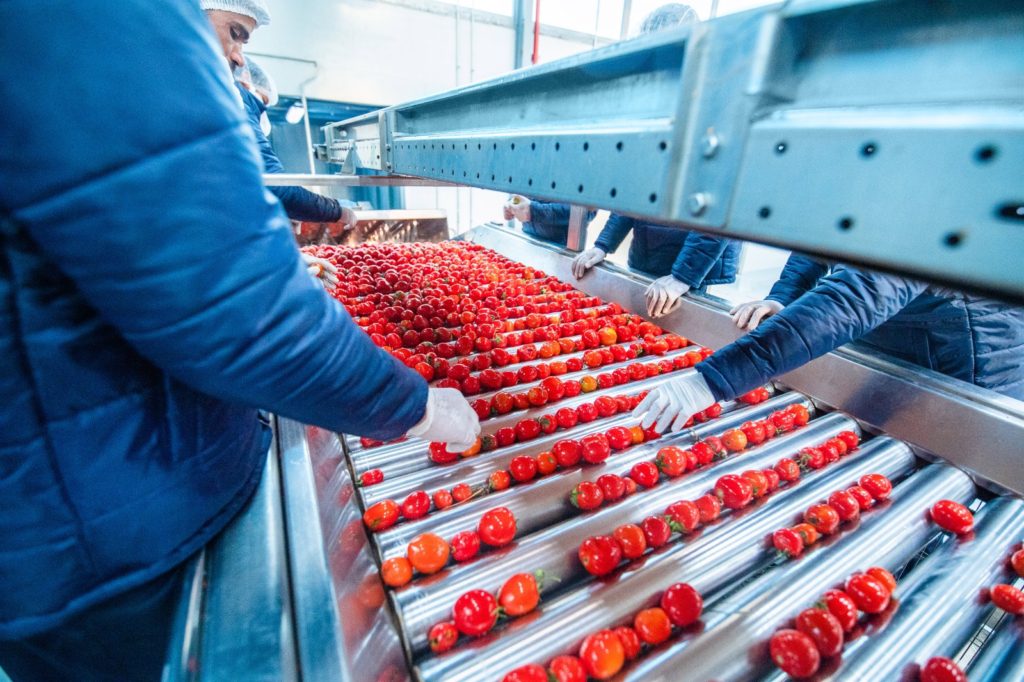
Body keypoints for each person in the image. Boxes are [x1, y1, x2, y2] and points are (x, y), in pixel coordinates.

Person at [0, 2, 479, 681]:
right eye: (234, 34)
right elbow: (233, 306)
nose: (237, 59)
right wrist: (416, 406)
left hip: (64, 512)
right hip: (99, 542)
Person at [634, 255, 1024, 433]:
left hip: (966, 356)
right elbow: (825, 240)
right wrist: (782, 296)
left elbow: (858, 294)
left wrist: (711, 380)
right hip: (902, 336)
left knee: (944, 468)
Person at [205, 4, 357, 229]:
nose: (239, 59)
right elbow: (273, 183)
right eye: (234, 34)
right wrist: (336, 210)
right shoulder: (231, 95)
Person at [572, 212, 741, 319]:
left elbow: (716, 216)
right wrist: (603, 245)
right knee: (640, 319)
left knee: (679, 322)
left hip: (694, 265)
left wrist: (683, 275)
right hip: (648, 249)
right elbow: (633, 197)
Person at [502, 195, 595, 246]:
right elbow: (521, 191)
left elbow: (587, 210)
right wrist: (512, 204)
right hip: (528, 239)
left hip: (561, 248)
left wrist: (535, 211)